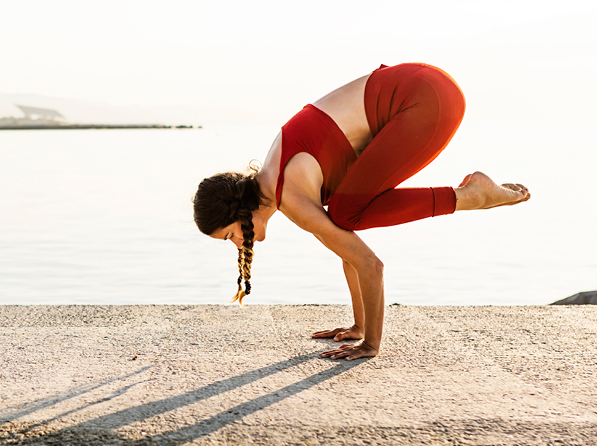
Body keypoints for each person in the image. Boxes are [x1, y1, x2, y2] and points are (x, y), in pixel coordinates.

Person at [191, 63, 530, 361]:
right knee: (344, 214)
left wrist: (370, 343)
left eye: (230, 235)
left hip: (426, 99)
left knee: (346, 214)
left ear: (238, 211)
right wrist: (358, 326)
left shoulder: (290, 196)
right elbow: (346, 250)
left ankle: (471, 196)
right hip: (427, 88)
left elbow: (370, 264)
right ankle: (470, 195)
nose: (239, 244)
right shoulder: (275, 176)